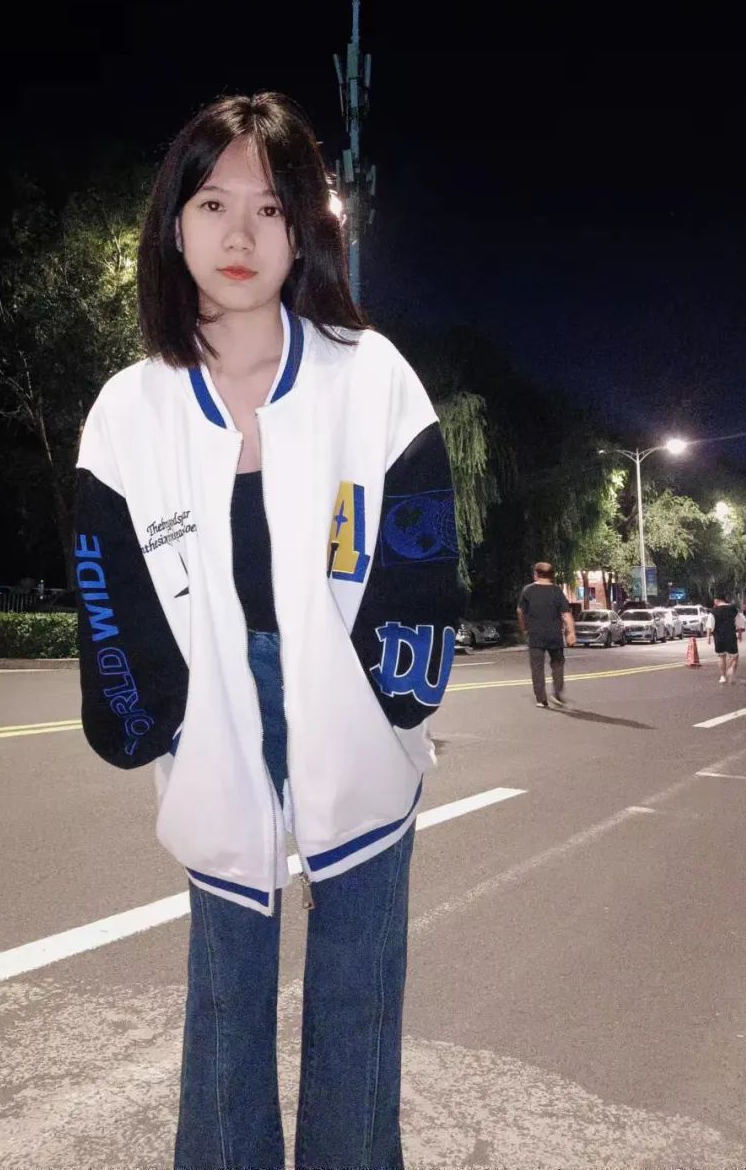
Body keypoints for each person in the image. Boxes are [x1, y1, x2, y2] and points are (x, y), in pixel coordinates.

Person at [72, 92, 461, 1170]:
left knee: (360, 989)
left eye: (270, 207)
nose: (239, 234)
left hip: (352, 706)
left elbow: (422, 541)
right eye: (212, 203)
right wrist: (144, 717)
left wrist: (401, 694)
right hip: (213, 712)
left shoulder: (367, 374)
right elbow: (107, 582)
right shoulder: (130, 408)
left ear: (303, 230)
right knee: (226, 995)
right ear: (174, 224)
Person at [517, 562, 576, 707]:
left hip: (535, 635)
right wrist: (571, 633)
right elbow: (566, 613)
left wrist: (524, 628)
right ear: (551, 576)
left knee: (537, 667)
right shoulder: (556, 591)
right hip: (554, 635)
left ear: (536, 574)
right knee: (558, 664)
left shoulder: (528, 590)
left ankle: (541, 699)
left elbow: (520, 611)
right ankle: (557, 693)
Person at [710, 594, 740, 683]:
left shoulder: (713, 611)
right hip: (731, 635)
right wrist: (740, 634)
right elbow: (740, 622)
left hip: (718, 637)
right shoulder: (733, 609)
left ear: (717, 600)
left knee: (721, 656)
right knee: (734, 656)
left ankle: (723, 677)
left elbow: (710, 625)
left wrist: (708, 637)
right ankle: (731, 669)